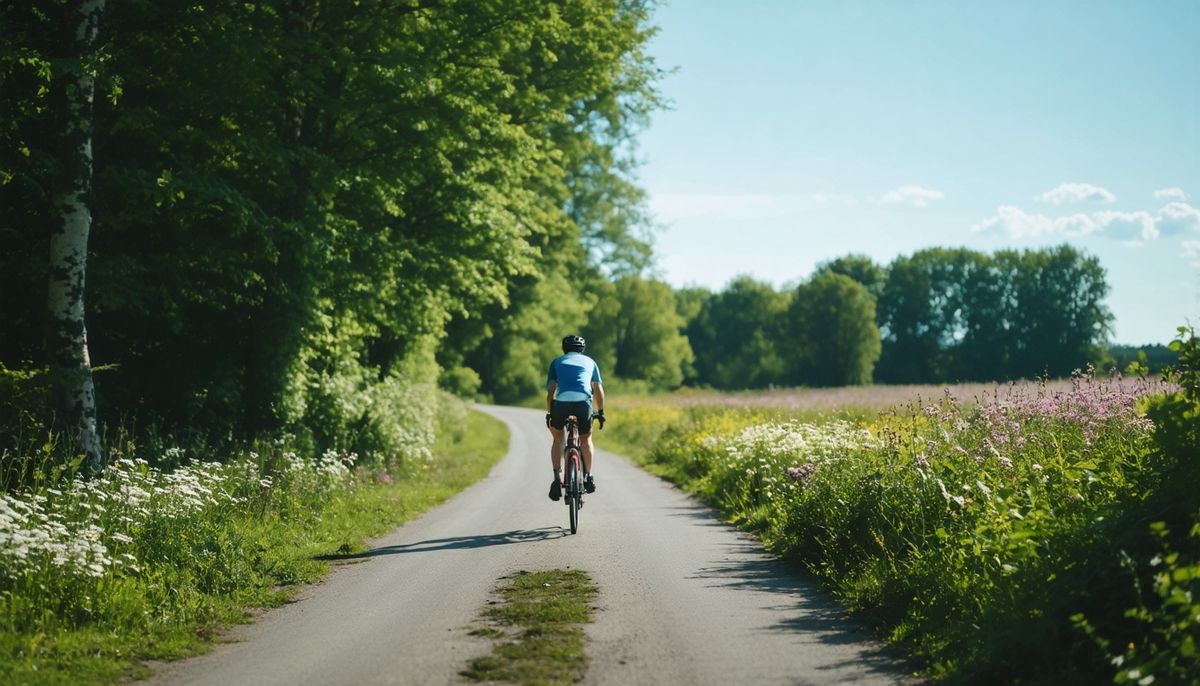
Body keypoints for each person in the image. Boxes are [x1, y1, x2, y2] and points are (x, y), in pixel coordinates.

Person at [545, 334, 605, 501]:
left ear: (564, 348)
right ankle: (588, 476)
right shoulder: (591, 362)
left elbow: (550, 392)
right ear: (582, 349)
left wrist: (550, 413)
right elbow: (598, 390)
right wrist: (600, 412)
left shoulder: (556, 362)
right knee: (586, 439)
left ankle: (557, 479)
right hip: (583, 403)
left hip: (561, 404)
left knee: (558, 440)